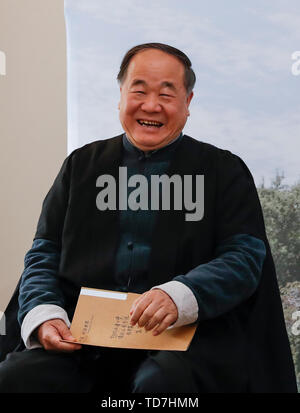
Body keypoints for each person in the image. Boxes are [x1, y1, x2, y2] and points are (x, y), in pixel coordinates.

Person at [0, 43, 297, 393]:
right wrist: (45, 315)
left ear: (188, 103)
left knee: (162, 385)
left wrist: (180, 294)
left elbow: (244, 257)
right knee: (16, 379)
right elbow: (44, 252)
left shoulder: (224, 171)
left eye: (167, 94)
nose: (151, 105)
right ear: (120, 96)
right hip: (83, 338)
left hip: (187, 340)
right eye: (138, 90)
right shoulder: (81, 165)